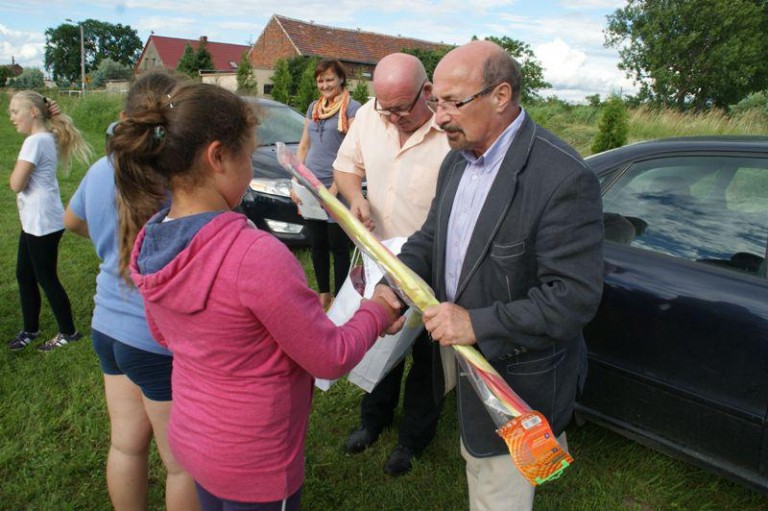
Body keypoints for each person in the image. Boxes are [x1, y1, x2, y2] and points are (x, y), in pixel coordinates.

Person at [110, 81, 402, 510]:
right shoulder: (254, 256)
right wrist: (376, 309)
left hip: (194, 437)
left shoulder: (151, 238)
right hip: (256, 461)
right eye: (247, 153)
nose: (251, 163)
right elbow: (329, 356)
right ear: (217, 157)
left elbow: (165, 334)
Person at [383, 40, 604, 510]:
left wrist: (477, 323)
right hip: (458, 357)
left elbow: (572, 299)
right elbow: (430, 241)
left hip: (515, 378)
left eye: (452, 103)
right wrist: (393, 288)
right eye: (434, 101)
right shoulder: (455, 160)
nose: (438, 117)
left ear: (501, 96)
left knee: (496, 487)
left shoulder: (562, 178)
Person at [63, 72, 200, 511]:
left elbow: (72, 221)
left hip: (108, 327)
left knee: (125, 445)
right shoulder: (181, 180)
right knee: (181, 465)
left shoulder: (105, 167)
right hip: (157, 339)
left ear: (127, 116)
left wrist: (111, 244)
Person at [333, 53, 451, 475]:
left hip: (437, 267)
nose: (395, 117)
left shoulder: (452, 130)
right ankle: (373, 420)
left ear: (428, 92)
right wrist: (357, 197)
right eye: (388, 108)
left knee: (428, 357)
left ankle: (413, 440)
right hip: (383, 258)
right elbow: (346, 170)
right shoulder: (369, 115)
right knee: (382, 343)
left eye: (404, 108)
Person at [7, 91, 92, 351]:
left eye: (14, 111)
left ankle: (69, 332)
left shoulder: (35, 142)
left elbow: (16, 184)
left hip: (42, 223)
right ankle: (30, 330)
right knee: (25, 275)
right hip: (35, 221)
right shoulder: (45, 137)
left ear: (33, 112)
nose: (11, 118)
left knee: (45, 277)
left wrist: (15, 176)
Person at [293, 59, 361, 310]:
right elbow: (303, 146)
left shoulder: (353, 109)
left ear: (341, 79)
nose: (325, 84)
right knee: (317, 242)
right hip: (310, 184)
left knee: (338, 245)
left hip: (337, 186)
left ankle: (342, 296)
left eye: (329, 79)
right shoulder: (314, 107)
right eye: (320, 80)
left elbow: (354, 152)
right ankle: (323, 293)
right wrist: (296, 180)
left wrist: (335, 188)